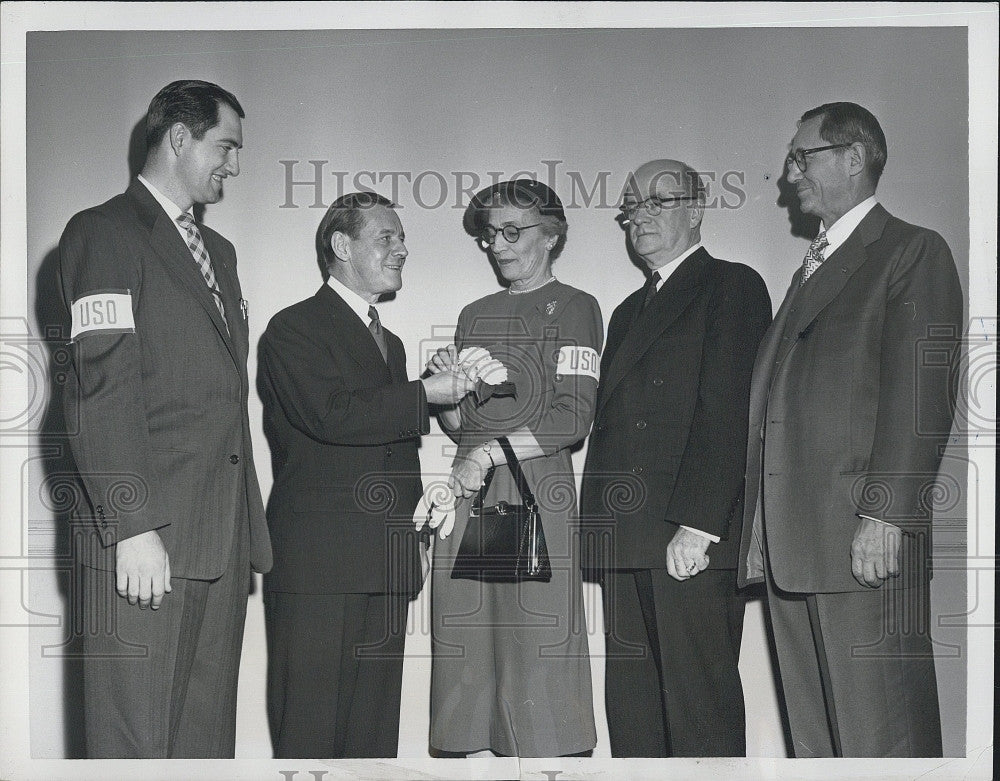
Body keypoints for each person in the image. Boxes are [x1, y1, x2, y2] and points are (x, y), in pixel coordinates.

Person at [736, 102, 963, 757]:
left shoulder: (911, 250)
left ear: (855, 157)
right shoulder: (814, 266)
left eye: (803, 157)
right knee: (819, 750)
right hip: (795, 549)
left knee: (881, 742)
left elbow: (921, 396)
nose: (789, 174)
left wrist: (886, 514)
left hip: (861, 542)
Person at [57, 80, 272, 758]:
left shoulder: (224, 255)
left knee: (204, 748)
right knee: (135, 748)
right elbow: (102, 386)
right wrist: (133, 525)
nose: (234, 165)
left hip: (221, 539)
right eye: (226, 146)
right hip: (147, 541)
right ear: (179, 137)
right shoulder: (104, 232)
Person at [257, 191, 475, 758]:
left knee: (372, 743)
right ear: (340, 245)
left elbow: (378, 436)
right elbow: (331, 416)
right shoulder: (293, 328)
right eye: (387, 237)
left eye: (403, 238)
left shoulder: (392, 344)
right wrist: (424, 392)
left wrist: (431, 391)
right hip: (319, 567)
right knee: (310, 738)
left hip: (386, 560)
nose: (402, 249)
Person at [579, 160, 771, 756]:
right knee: (634, 717)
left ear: (697, 210)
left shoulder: (732, 285)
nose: (640, 215)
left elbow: (728, 413)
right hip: (629, 539)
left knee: (699, 716)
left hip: (688, 539)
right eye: (632, 206)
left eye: (659, 202)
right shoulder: (627, 311)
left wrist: (701, 525)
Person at [420, 179, 602, 757]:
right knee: (466, 645)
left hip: (534, 489)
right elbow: (461, 426)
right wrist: (444, 393)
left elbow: (572, 418)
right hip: (470, 487)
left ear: (552, 235)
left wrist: (488, 453)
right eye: (489, 234)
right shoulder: (475, 313)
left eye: (511, 231)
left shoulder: (576, 307)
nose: (497, 245)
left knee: (537, 646)